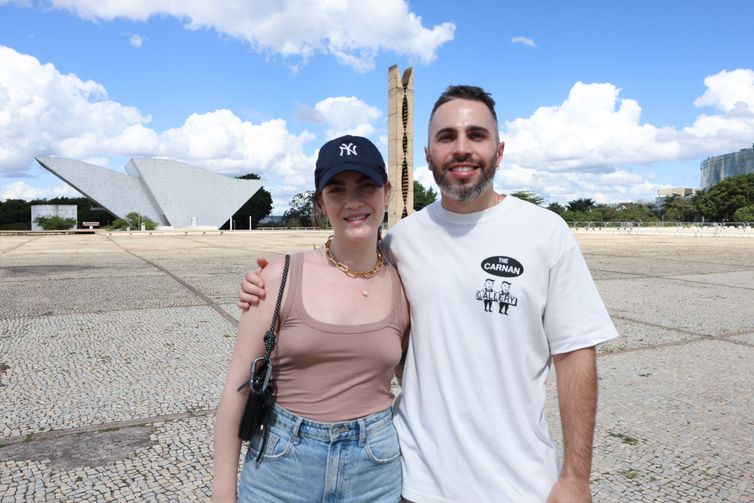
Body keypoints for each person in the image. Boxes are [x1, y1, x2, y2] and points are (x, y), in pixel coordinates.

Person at [238, 86, 618, 502]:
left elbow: (576, 353)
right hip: (416, 483)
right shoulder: (401, 242)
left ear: (500, 149)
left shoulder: (546, 233)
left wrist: (576, 477)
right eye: (446, 137)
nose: (461, 148)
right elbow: (348, 274)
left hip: (521, 484)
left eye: (476, 135)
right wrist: (271, 280)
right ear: (427, 154)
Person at [213, 135, 410, 502]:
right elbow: (235, 388)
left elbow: (417, 382)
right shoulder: (278, 277)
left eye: (366, 186)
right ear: (321, 202)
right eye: (337, 190)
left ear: (386, 191)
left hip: (376, 470)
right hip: (282, 466)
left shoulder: (405, 282)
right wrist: (222, 491)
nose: (353, 201)